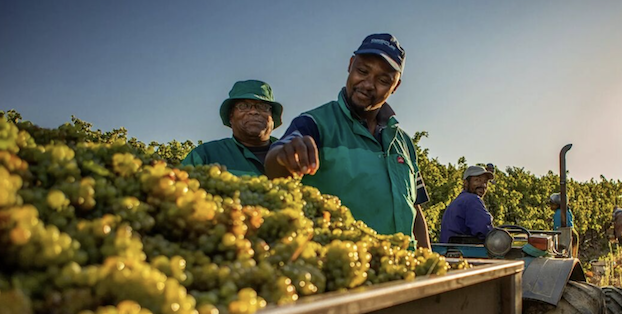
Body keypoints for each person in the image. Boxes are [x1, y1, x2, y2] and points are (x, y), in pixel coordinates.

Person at [264, 33, 430, 248]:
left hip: (402, 273)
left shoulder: (404, 143)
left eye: (383, 80)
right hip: (338, 271)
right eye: (362, 71)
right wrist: (284, 156)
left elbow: (415, 209)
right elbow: (274, 166)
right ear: (350, 65)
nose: (368, 84)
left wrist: (432, 265)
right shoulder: (313, 123)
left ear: (395, 86)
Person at [181, 80, 283, 176]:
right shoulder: (204, 155)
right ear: (231, 116)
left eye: (263, 107)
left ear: (272, 117)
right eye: (243, 106)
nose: (253, 111)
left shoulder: (292, 154)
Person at [439, 166, 495, 243]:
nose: (483, 185)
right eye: (477, 180)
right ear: (465, 183)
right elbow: (484, 230)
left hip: (449, 249)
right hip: (464, 252)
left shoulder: (459, 200)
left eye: (485, 182)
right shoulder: (472, 200)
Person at [549, 193, 579, 258]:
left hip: (563, 237)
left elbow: (557, 229)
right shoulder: (567, 211)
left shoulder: (558, 213)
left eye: (552, 204)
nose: (550, 205)